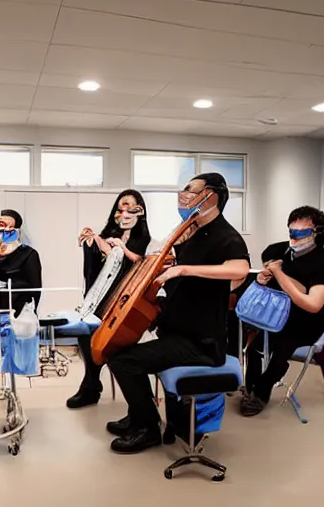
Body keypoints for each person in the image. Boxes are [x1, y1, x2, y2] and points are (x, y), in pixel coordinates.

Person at [105, 173, 249, 454]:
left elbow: (240, 270)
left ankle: (147, 428)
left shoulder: (225, 235)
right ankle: (140, 414)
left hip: (200, 341)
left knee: (124, 362)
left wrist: (184, 269)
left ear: (212, 196)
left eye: (191, 190)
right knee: (118, 349)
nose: (183, 195)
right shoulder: (191, 230)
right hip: (177, 328)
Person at [66, 189, 151, 409]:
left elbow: (139, 263)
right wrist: (92, 241)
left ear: (139, 211)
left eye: (130, 208)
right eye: (120, 207)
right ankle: (91, 383)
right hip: (101, 298)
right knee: (86, 335)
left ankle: (93, 387)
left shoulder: (144, 238)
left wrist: (120, 248)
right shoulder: (108, 232)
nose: (124, 212)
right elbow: (97, 263)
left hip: (123, 300)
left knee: (112, 342)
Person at [241, 206, 324, 416]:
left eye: (302, 233)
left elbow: (313, 304)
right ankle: (250, 388)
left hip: (309, 322)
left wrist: (279, 274)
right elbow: (272, 276)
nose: (295, 239)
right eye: (292, 232)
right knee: (254, 350)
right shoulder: (279, 251)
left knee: (281, 350)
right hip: (278, 316)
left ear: (318, 233)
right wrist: (263, 279)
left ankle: (261, 392)